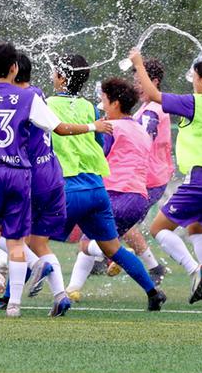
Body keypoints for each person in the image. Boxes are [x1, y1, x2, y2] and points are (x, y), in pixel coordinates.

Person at [46, 53, 167, 312]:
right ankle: (153, 291)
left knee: (33, 241)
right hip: (101, 189)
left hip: (71, 186)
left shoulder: (47, 105)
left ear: (62, 77)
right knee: (112, 247)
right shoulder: (92, 110)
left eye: (55, 72)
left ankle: (11, 297)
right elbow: (98, 145)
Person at [131, 50, 202, 303]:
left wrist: (138, 63)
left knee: (158, 228)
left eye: (195, 76)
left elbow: (154, 95)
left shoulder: (194, 102)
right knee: (197, 228)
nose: (192, 80)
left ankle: (195, 270)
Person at [65, 77, 160, 297]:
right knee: (92, 240)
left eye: (105, 102)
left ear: (115, 103)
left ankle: (117, 255)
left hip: (116, 195)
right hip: (138, 200)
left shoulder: (111, 128)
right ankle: (73, 289)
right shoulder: (140, 129)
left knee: (92, 244)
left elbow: (97, 155)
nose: (103, 108)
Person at [12, 52, 79, 316]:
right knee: (39, 242)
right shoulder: (37, 93)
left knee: (4, 234)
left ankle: (14, 299)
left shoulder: (17, 101)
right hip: (53, 176)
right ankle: (60, 295)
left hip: (32, 179)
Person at [127, 57, 174, 261]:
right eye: (135, 82)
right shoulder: (146, 107)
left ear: (153, 82)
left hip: (151, 180)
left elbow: (143, 139)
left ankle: (103, 256)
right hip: (147, 178)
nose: (136, 87)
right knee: (122, 224)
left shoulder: (154, 109)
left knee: (120, 222)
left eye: (140, 82)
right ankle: (153, 266)